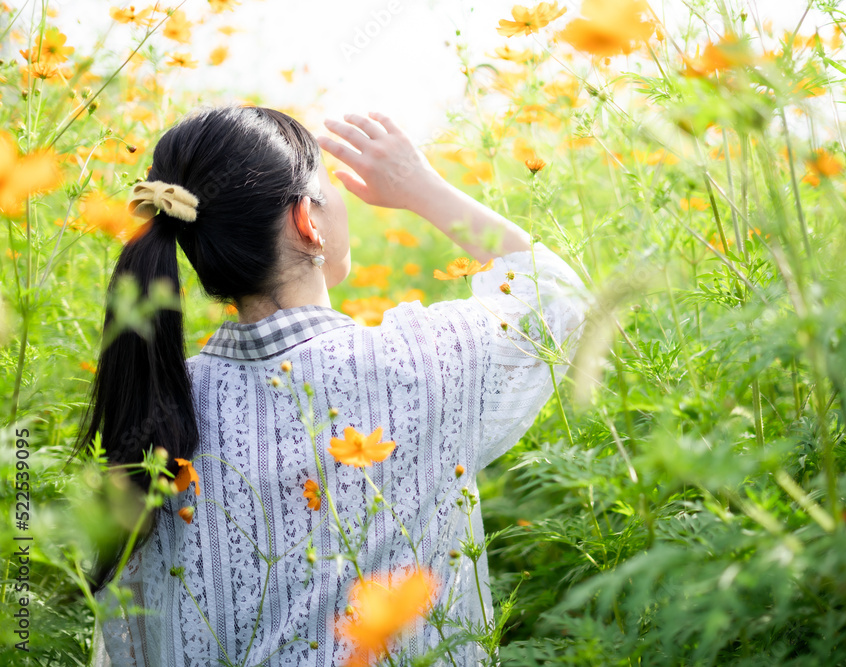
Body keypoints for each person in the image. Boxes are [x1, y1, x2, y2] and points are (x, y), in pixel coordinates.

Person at [83, 105, 588, 666]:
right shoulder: (413, 363)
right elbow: (556, 299)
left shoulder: (158, 407)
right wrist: (421, 188)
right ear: (308, 221)